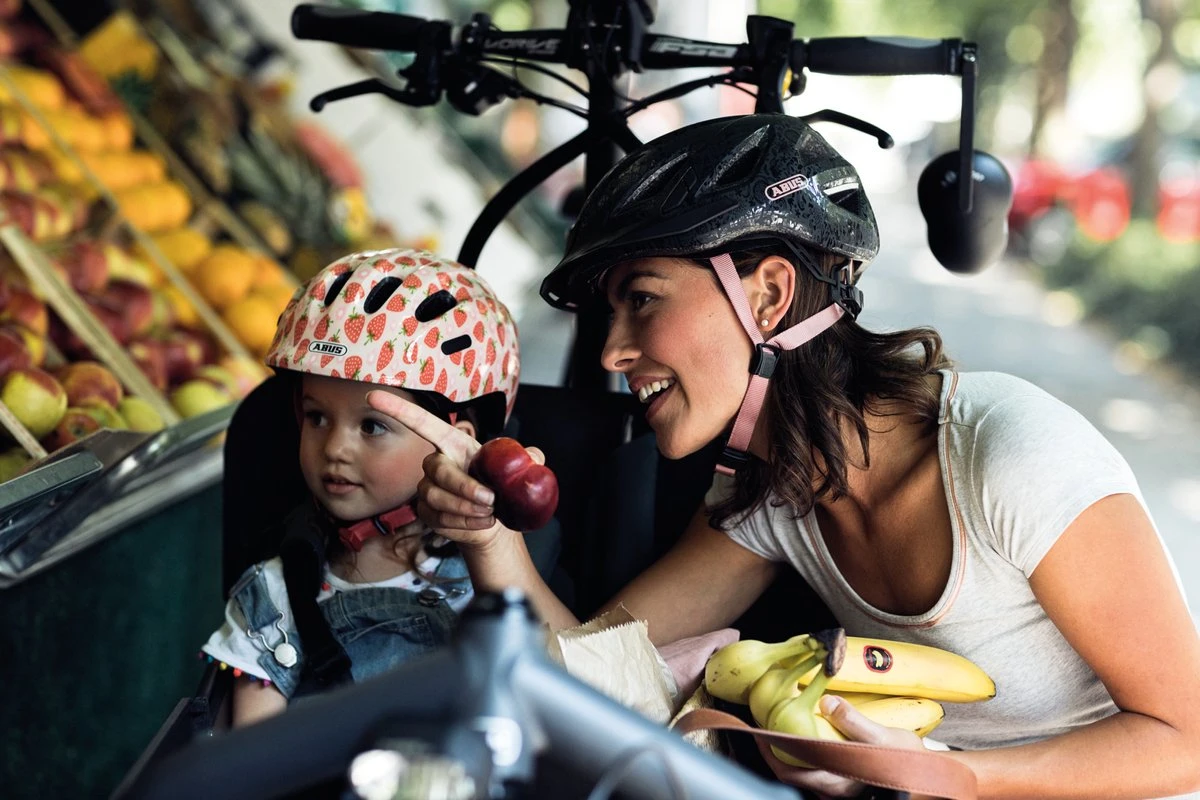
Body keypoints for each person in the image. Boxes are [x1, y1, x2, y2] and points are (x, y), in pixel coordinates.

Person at [368, 115, 1200, 798]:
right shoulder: (777, 496)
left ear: (766, 294)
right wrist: (488, 535)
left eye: (643, 300)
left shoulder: (1009, 457)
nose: (614, 352)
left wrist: (947, 779)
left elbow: (1186, 740)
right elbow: (591, 671)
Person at [201, 247, 527, 728]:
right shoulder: (276, 596)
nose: (335, 448)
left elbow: (547, 678)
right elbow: (250, 756)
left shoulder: (491, 578)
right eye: (317, 417)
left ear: (454, 442)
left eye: (372, 426)